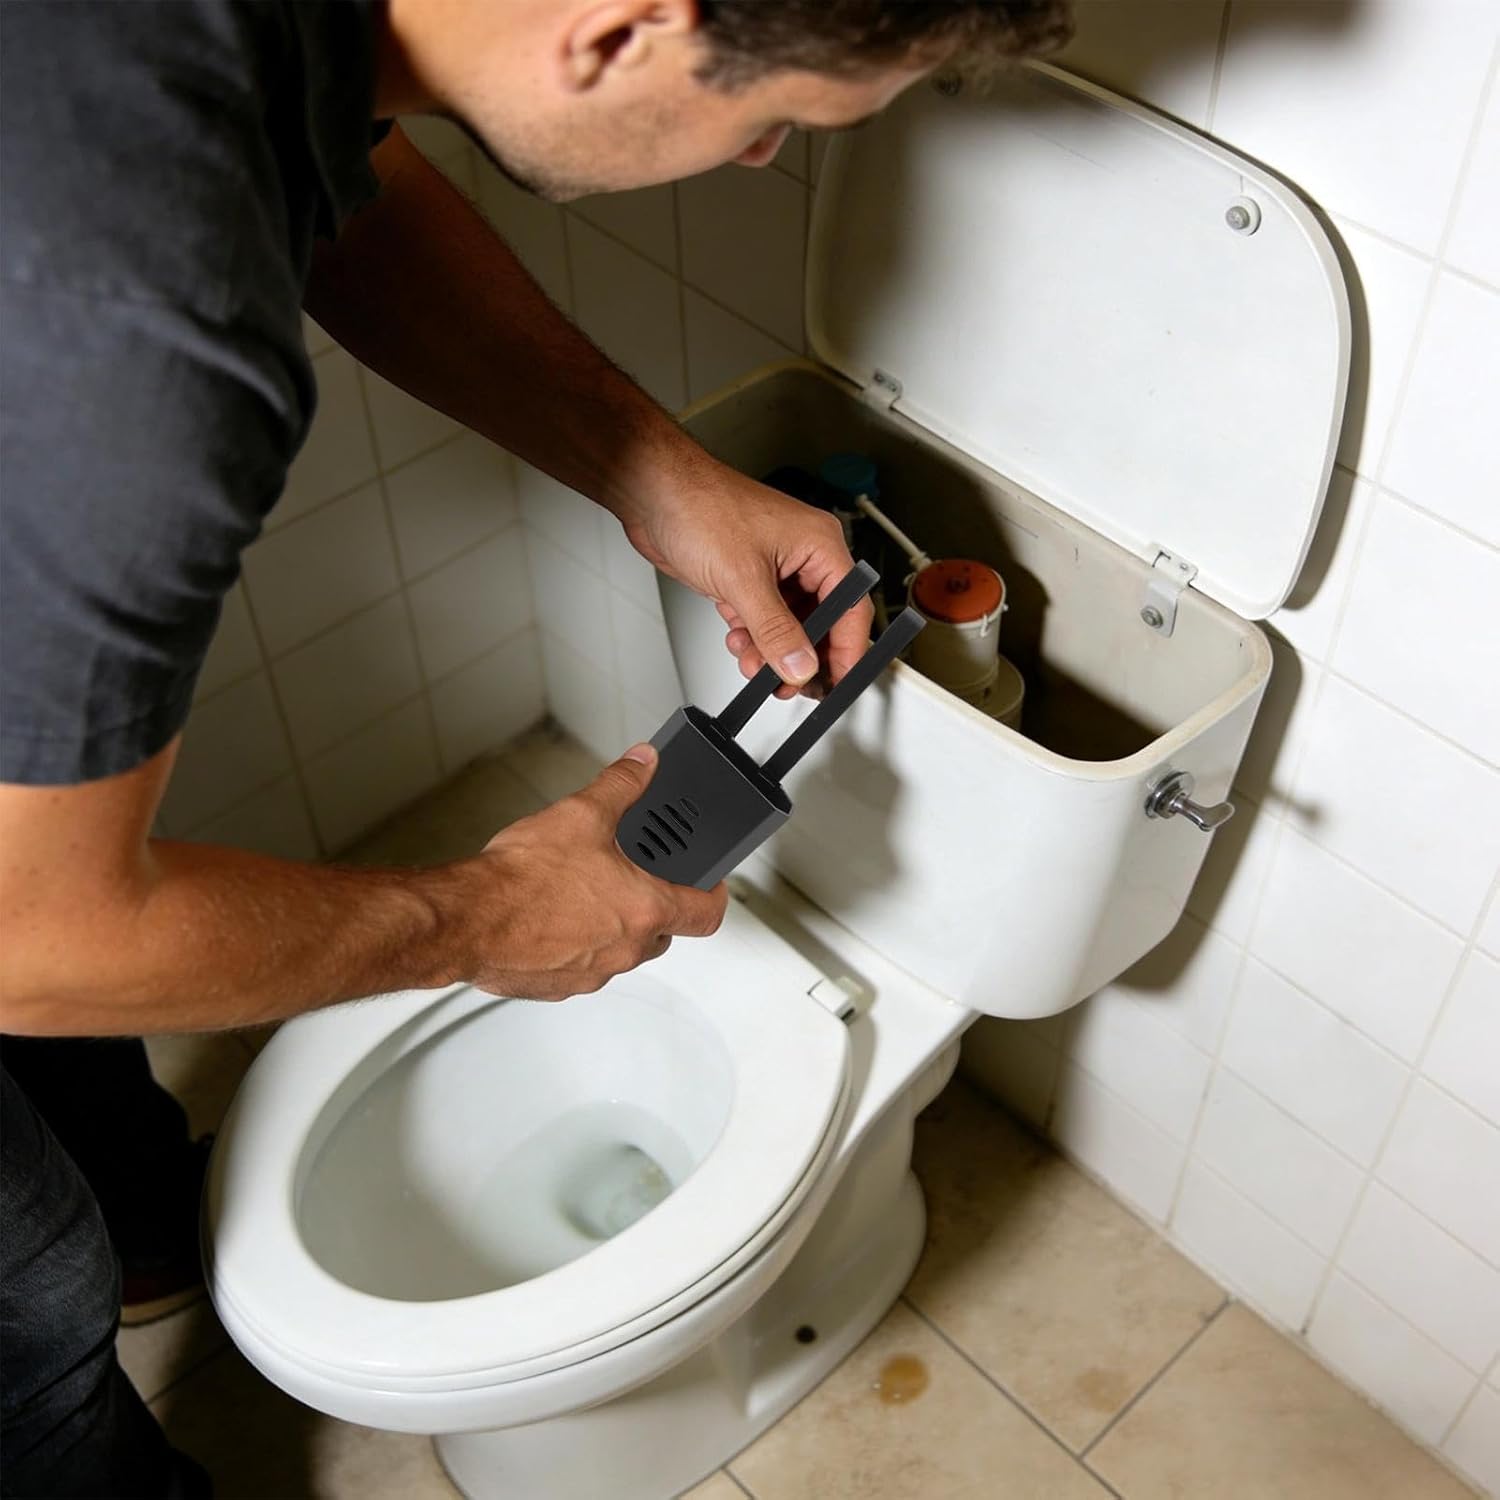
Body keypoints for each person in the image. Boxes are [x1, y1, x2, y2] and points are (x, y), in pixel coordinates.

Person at [0, 1, 1073, 1493]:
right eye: (779, 117)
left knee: (81, 1126)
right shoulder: (140, 324)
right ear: (620, 28)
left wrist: (657, 473)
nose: (763, 159)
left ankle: (142, 1233)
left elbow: (340, 180)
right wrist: (492, 916)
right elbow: (35, 938)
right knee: (29, 1304)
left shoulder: (251, 45)